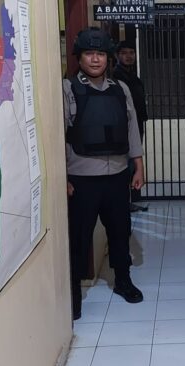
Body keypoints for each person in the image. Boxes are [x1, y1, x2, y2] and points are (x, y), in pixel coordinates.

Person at [64, 28, 145, 321]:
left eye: (100, 54)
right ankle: (73, 294)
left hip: (117, 174)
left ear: (108, 58)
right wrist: (63, 177)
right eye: (89, 53)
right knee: (79, 237)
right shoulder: (68, 89)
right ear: (80, 57)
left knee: (120, 231)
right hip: (82, 178)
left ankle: (123, 280)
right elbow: (57, 134)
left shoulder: (119, 88)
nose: (95, 59)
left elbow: (132, 126)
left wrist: (138, 164)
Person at [112, 40, 149, 212]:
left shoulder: (133, 77)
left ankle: (129, 200)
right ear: (117, 55)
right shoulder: (116, 77)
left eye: (131, 53)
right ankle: (123, 202)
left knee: (132, 163)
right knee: (126, 164)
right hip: (123, 127)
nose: (128, 56)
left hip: (137, 123)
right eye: (124, 53)